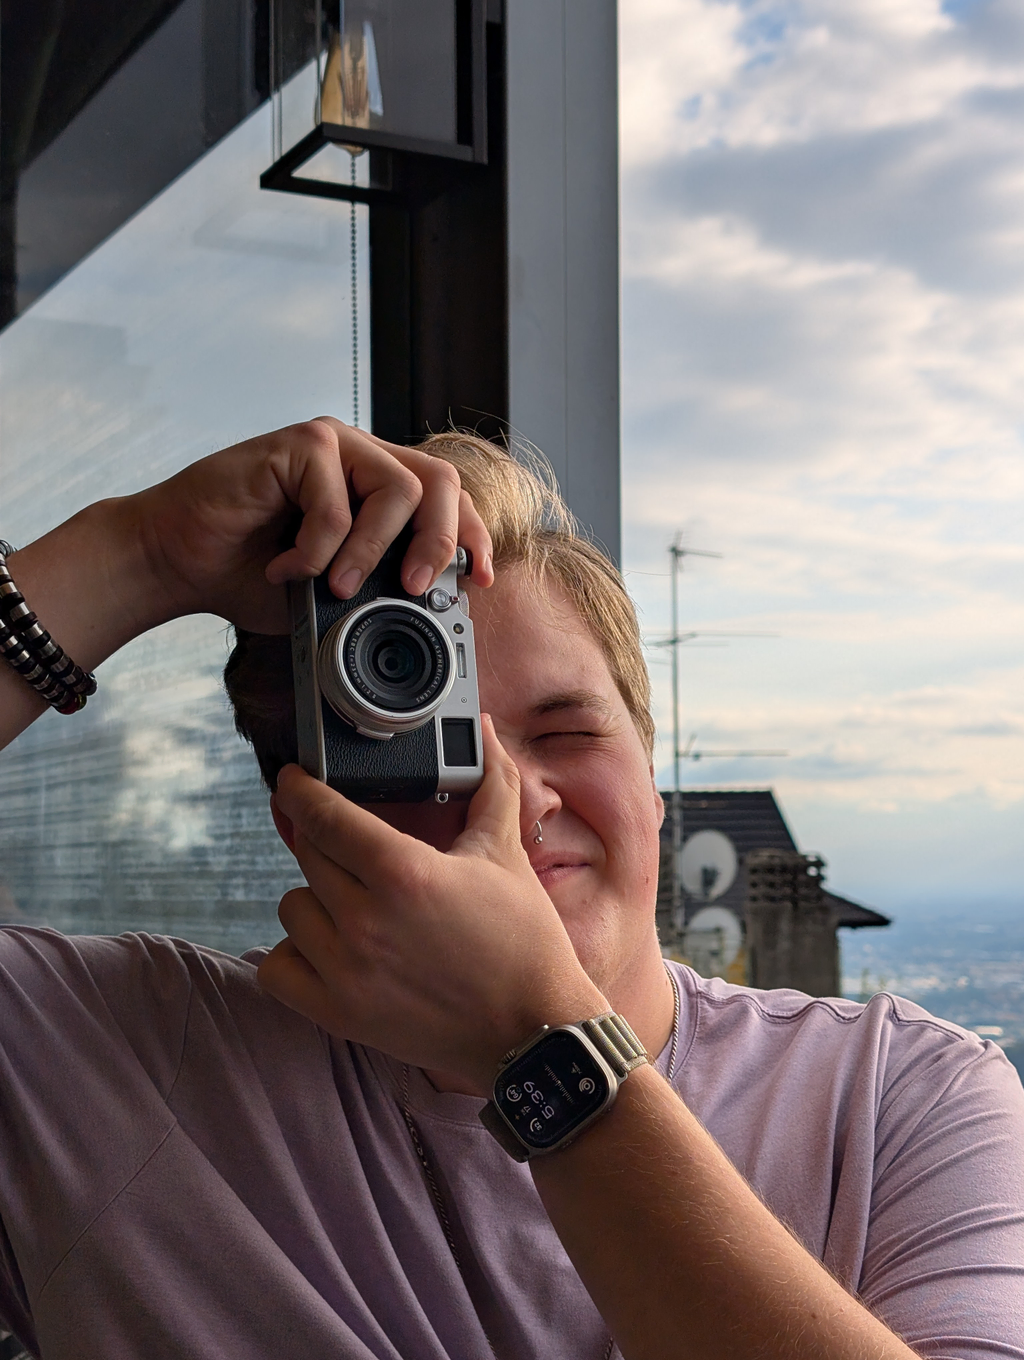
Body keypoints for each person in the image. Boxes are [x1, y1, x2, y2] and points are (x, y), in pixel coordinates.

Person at [0, 418, 1021, 1360]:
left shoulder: (900, 1101)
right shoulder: (121, 1062)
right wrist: (134, 556)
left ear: (652, 780)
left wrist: (542, 1048)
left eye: (568, 733)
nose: (514, 796)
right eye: (420, 746)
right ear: (301, 816)